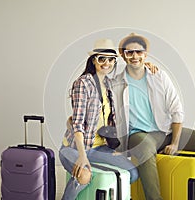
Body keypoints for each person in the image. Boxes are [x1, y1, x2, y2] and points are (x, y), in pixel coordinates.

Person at [112, 33, 195, 200]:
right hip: (137, 135)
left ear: (145, 54)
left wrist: (175, 142)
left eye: (139, 52)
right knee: (146, 148)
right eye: (129, 52)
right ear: (123, 55)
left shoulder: (159, 76)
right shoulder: (115, 82)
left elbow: (176, 109)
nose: (134, 56)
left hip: (164, 132)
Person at [59, 38, 139, 200]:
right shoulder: (83, 84)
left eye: (111, 59)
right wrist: (82, 156)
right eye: (102, 59)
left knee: (133, 173)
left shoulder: (109, 84)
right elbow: (77, 124)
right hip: (74, 148)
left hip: (100, 148)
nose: (106, 63)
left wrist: (149, 67)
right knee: (84, 176)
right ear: (93, 60)